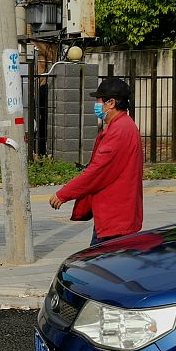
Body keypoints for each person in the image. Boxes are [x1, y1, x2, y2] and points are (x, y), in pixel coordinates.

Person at [49, 76, 144, 244]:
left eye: (99, 101)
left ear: (111, 103)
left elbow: (97, 171)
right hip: (117, 214)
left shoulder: (119, 131)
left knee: (98, 266)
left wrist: (64, 194)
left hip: (115, 218)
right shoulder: (123, 126)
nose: (97, 105)